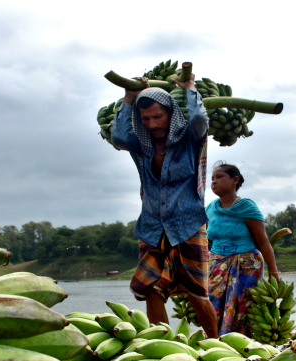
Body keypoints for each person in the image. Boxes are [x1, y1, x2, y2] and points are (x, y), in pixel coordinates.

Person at [110, 73, 219, 338]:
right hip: (152, 227)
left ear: (170, 113)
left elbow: (199, 119)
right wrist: (129, 97)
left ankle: (218, 344)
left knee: (198, 293)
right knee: (152, 290)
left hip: (188, 225)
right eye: (146, 119)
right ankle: (164, 347)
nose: (152, 124)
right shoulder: (142, 146)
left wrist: (190, 88)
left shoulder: (189, 139)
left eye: (158, 116)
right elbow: (119, 136)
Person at [206, 162, 280, 337]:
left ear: (235, 180)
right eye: (212, 179)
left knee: (241, 309)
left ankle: (240, 347)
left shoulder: (247, 207)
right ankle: (215, 345)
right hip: (216, 264)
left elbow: (263, 242)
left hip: (246, 266)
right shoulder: (210, 208)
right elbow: (204, 240)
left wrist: (274, 273)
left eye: (219, 177)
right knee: (213, 307)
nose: (214, 182)